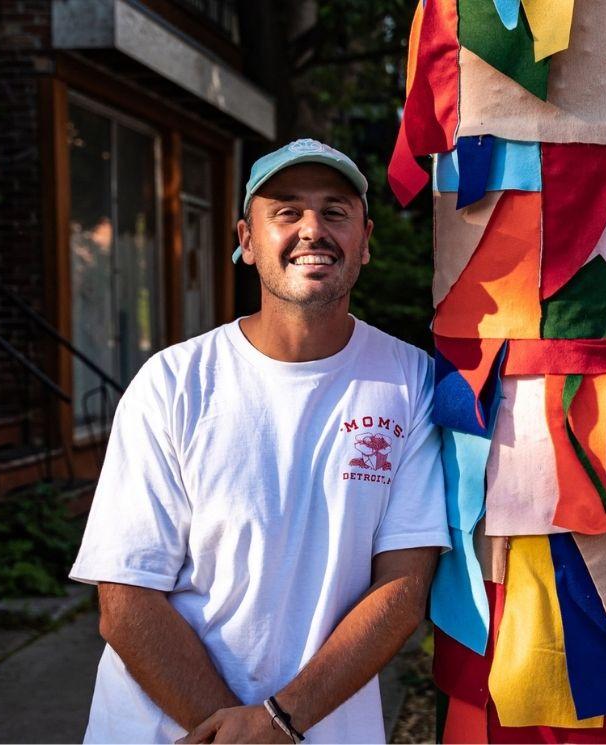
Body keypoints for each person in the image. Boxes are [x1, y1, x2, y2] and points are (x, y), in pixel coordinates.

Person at [71, 138, 449, 744]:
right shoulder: (173, 383)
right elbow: (127, 598)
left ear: (365, 239)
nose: (312, 229)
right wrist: (243, 735)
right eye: (287, 211)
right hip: (164, 728)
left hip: (319, 728)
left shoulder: (410, 381)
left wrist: (280, 720)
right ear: (247, 240)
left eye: (335, 211)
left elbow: (403, 586)